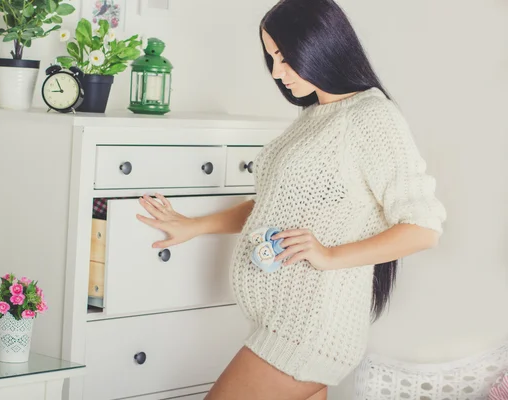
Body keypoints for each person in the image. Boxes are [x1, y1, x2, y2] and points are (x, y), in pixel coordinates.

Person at [135, 0, 447, 398]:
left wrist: (329, 256)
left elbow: (423, 229)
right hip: (282, 323)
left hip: (309, 328)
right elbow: (274, 205)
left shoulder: (371, 117)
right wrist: (193, 226)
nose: (277, 72)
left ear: (322, 45)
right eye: (271, 57)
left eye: (285, 56)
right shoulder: (317, 115)